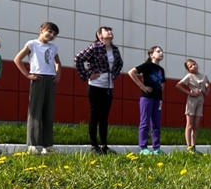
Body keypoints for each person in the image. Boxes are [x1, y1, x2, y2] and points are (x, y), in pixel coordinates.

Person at [74, 26, 123, 155]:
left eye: (111, 30)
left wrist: (114, 75)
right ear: (99, 35)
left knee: (104, 117)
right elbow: (78, 58)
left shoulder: (115, 49)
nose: (110, 32)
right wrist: (86, 75)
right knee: (95, 115)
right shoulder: (94, 47)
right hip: (95, 85)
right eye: (106, 31)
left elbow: (119, 64)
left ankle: (104, 145)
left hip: (108, 86)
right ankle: (94, 145)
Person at [14, 22, 62, 155]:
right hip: (38, 78)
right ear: (41, 30)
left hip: (50, 79)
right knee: (35, 110)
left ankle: (48, 144)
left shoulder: (53, 47)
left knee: (48, 111)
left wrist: (58, 74)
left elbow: (58, 62)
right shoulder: (32, 44)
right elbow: (18, 59)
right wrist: (27, 74)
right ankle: (33, 144)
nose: (51, 35)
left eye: (54, 34)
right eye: (49, 32)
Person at [128, 45, 165, 155]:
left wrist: (159, 93)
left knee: (156, 124)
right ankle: (143, 147)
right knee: (145, 122)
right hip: (146, 97)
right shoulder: (147, 65)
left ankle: (156, 148)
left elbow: (163, 83)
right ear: (151, 54)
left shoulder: (161, 69)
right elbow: (131, 72)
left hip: (157, 99)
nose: (161, 53)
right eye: (158, 51)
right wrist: (141, 86)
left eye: (161, 51)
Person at [176, 58, 210, 152]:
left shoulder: (204, 76)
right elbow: (178, 85)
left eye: (194, 64)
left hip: (200, 99)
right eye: (190, 66)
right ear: (188, 69)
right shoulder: (189, 76)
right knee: (189, 125)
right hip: (192, 99)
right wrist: (189, 93)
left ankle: (194, 145)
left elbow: (207, 89)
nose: (193, 66)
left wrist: (207, 88)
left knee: (196, 125)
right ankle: (189, 146)